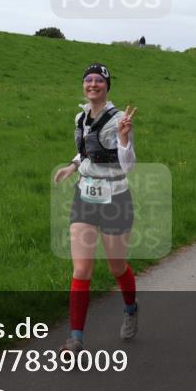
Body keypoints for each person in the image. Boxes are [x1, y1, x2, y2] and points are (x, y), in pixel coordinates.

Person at [53, 63, 138, 354]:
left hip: (115, 199)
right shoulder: (81, 117)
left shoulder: (119, 120)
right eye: (88, 80)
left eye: (98, 80)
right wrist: (72, 165)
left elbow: (128, 165)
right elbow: (87, 150)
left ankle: (130, 308)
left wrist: (125, 138)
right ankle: (75, 339)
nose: (92, 84)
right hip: (85, 196)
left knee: (117, 266)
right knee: (81, 267)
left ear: (107, 86)